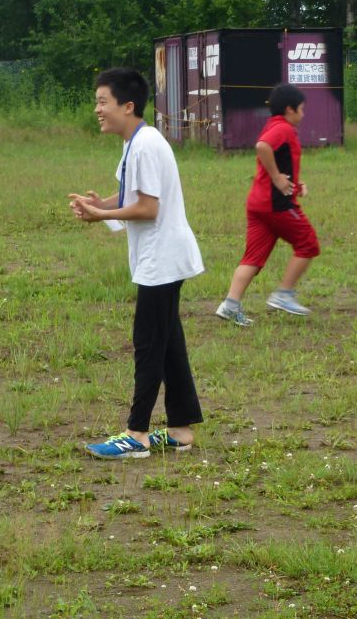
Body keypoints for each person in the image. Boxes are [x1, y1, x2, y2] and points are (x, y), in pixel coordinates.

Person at [69, 68, 204, 459]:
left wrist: (101, 215)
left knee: (148, 343)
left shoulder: (144, 145)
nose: (97, 109)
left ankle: (137, 434)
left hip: (162, 258)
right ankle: (180, 429)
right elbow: (135, 194)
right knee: (168, 341)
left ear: (127, 106)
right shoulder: (138, 142)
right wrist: (101, 204)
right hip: (161, 256)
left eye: (103, 102)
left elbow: (147, 207)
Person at [215, 83, 320, 326]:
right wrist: (277, 178)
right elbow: (262, 146)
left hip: (258, 203)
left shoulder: (275, 125)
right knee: (308, 244)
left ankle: (230, 305)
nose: (303, 114)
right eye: (302, 109)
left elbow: (278, 159)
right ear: (290, 109)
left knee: (252, 258)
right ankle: (284, 294)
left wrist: (294, 183)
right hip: (276, 205)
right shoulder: (283, 128)